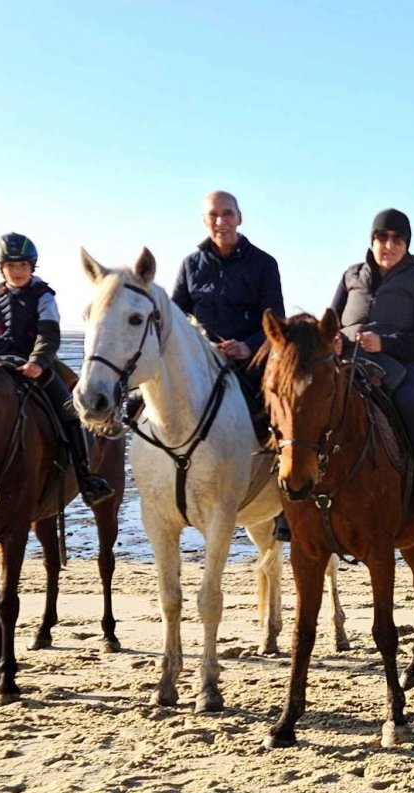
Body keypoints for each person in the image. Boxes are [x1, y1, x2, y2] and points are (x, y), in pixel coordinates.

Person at [170, 190, 289, 540]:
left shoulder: (264, 264)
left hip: (250, 362)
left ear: (239, 218)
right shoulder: (192, 264)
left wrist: (246, 346)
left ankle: (286, 503)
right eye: (213, 215)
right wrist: (203, 346)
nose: (220, 221)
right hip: (202, 361)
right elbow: (176, 316)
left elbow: (276, 321)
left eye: (227, 214)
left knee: (281, 417)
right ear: (204, 221)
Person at [330, 208, 414, 538]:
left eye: (398, 239)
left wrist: (384, 343)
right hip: (347, 359)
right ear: (372, 240)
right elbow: (330, 318)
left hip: (403, 364)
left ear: (407, 244)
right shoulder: (350, 276)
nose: (389, 245)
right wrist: (331, 338)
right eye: (382, 238)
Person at [0, 233, 113, 507]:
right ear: (2, 268)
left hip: (35, 364)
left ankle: (85, 476)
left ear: (32, 267)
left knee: (68, 410)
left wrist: (37, 362)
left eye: (22, 265)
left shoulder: (44, 297)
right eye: (11, 266)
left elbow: (48, 336)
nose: (17, 271)